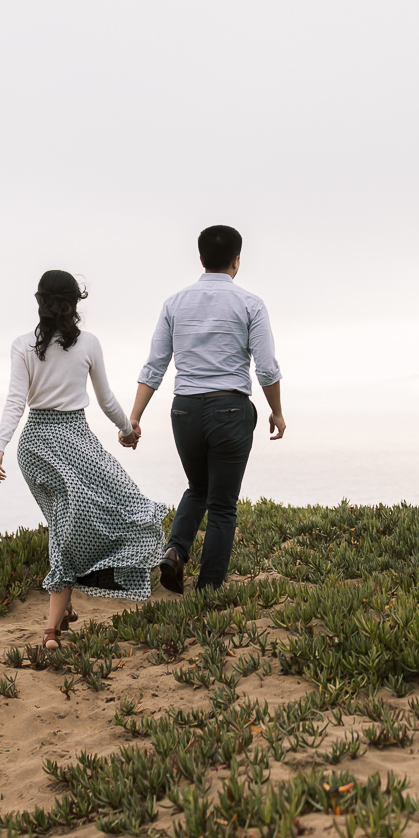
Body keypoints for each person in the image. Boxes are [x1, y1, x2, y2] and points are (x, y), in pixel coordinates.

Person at [0, 270, 166, 649]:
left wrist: (0, 446)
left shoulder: (22, 345)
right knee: (131, 506)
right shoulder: (88, 344)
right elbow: (106, 400)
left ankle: (58, 620)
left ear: (39, 302)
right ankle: (53, 626)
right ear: (76, 303)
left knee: (62, 524)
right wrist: (128, 431)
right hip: (74, 440)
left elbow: (15, 402)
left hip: (33, 446)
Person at [122, 225, 285, 593]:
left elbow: (155, 366)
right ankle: (208, 590)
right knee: (223, 506)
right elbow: (267, 368)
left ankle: (176, 551)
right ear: (237, 261)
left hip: (184, 412)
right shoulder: (250, 304)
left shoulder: (174, 303)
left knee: (198, 487)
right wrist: (276, 411)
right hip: (230, 409)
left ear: (200, 259)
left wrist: (135, 416)